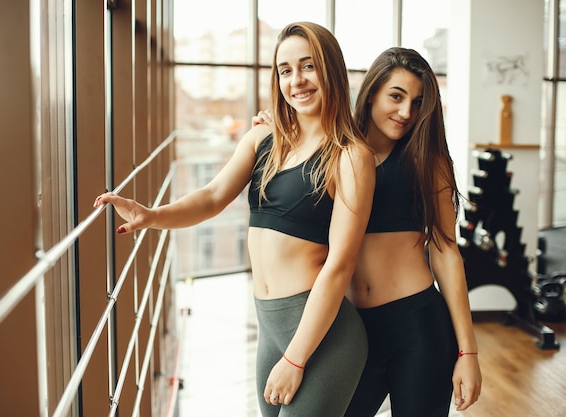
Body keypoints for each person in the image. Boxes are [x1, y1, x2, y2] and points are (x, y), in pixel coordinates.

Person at [94, 22, 375, 417]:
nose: (297, 80)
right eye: (285, 70)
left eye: (308, 66)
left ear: (331, 70)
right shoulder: (265, 139)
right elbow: (211, 196)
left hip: (323, 337)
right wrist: (152, 215)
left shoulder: (350, 156)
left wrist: (295, 360)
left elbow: (340, 264)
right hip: (271, 329)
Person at [254, 47, 482, 416]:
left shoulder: (428, 159)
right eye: (396, 96)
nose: (406, 112)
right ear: (371, 91)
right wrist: (277, 125)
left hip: (418, 328)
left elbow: (446, 252)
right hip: (350, 329)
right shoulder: (333, 151)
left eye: (417, 102)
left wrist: (467, 351)